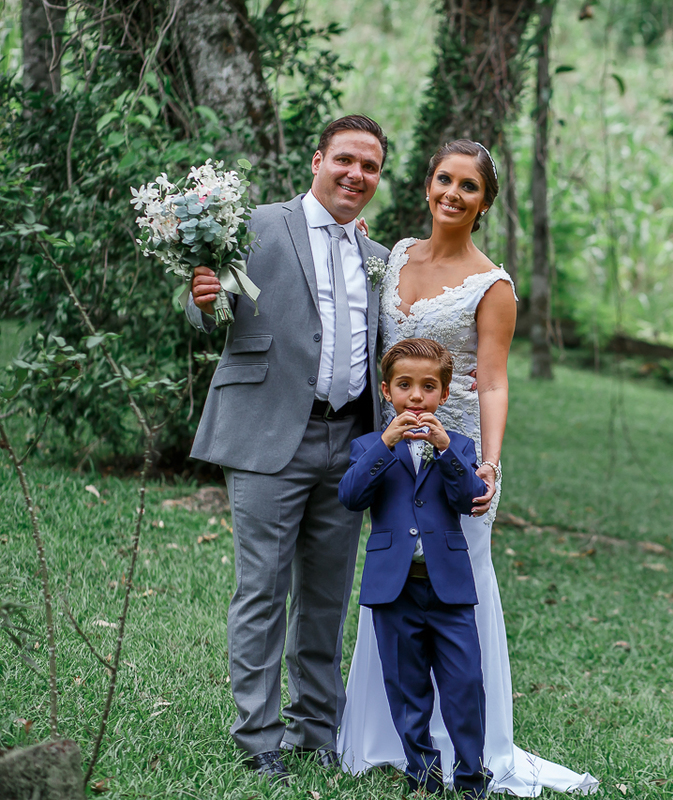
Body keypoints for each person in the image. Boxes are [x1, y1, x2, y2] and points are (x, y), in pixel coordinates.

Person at [337, 140, 598, 794]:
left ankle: (468, 749)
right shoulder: (392, 256)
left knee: (457, 591)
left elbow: (494, 381)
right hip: (394, 451)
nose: (452, 194)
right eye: (443, 180)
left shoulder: (492, 285)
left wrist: (490, 460)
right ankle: (381, 738)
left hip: (458, 461)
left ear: (484, 203)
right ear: (428, 185)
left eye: (469, 187)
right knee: (391, 578)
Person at [186, 115, 391, 784]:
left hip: (350, 440)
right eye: (346, 160)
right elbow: (203, 306)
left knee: (327, 598)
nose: (356, 175)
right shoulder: (257, 225)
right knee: (263, 590)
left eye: (370, 167)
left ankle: (315, 730)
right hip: (270, 432)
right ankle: (257, 735)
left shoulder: (378, 257)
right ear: (317, 160)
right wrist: (201, 296)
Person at [339, 338, 492, 799]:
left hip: (448, 590)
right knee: (407, 690)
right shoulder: (369, 446)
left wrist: (446, 452)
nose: (416, 396)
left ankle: (470, 779)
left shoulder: (460, 446)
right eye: (404, 385)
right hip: (395, 590)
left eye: (428, 387)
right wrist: (385, 444)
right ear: (387, 391)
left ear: (444, 395)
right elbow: (350, 496)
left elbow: (470, 500)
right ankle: (422, 775)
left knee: (465, 686)